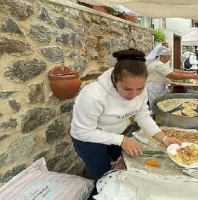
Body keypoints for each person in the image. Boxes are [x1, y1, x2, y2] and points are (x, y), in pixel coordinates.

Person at [70, 48, 182, 182]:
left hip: (116, 135)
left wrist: (163, 138)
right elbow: (83, 132)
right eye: (127, 89)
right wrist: (121, 140)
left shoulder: (139, 89)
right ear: (114, 79)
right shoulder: (92, 96)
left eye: (139, 89)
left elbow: (143, 115)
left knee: (123, 165)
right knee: (103, 175)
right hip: (88, 140)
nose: (134, 95)